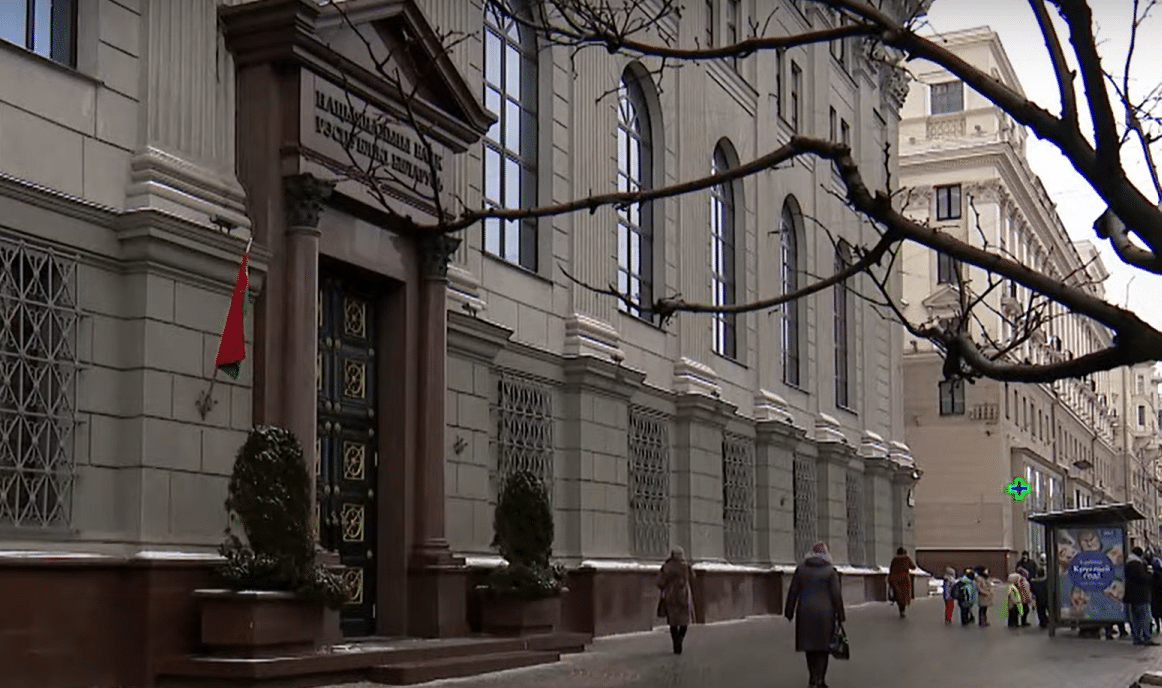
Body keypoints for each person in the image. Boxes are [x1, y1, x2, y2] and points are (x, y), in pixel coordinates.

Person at [785, 542, 845, 688]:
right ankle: (820, 679)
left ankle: (813, 678)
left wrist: (789, 611)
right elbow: (836, 595)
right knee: (823, 648)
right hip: (825, 614)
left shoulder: (801, 569)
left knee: (809, 647)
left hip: (805, 612)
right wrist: (841, 615)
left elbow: (793, 591)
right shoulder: (831, 571)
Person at [656, 547, 696, 654]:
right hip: (684, 597)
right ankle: (680, 639)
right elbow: (693, 578)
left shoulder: (666, 567)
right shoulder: (686, 567)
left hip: (671, 598)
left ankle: (675, 643)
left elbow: (659, 583)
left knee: (673, 623)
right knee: (684, 621)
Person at [1125, 546, 1158, 646]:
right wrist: (1150, 575)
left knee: (1135, 619)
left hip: (1132, 596)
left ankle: (1137, 638)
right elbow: (1142, 578)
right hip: (1141, 596)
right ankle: (1146, 637)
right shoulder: (1137, 564)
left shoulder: (1129, 563)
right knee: (1145, 618)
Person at [888, 547, 915, 618]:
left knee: (898, 594)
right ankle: (903, 609)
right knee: (905, 594)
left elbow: (891, 569)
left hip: (896, 578)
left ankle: (900, 608)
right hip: (904, 579)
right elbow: (913, 567)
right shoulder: (906, 559)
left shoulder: (894, 560)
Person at [1030, 553, 1049, 629]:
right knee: (1049, 609)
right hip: (1046, 597)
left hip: (1039, 598)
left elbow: (1032, 589)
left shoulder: (1034, 581)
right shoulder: (1046, 581)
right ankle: (1049, 620)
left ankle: (1043, 622)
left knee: (1040, 610)